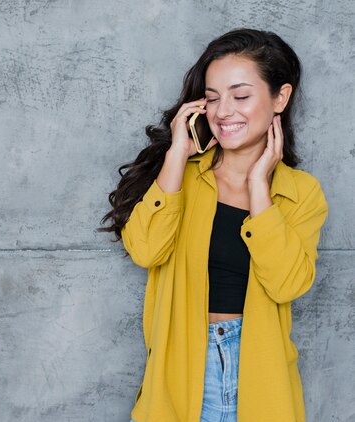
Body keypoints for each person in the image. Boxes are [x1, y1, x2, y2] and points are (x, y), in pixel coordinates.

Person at [98, 28, 329, 421]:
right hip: (182, 368)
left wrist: (259, 187)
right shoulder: (182, 179)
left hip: (260, 374)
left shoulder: (300, 193)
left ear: (280, 97)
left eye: (240, 96)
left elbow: (288, 284)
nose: (223, 112)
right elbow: (146, 249)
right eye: (212, 98)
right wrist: (175, 156)